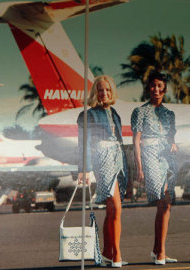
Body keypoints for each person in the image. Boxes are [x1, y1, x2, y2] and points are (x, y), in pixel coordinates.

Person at [77, 75, 128, 268]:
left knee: (111, 208)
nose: (104, 93)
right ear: (95, 92)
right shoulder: (88, 115)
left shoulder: (115, 113)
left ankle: (107, 252)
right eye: (100, 90)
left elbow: (120, 141)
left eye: (107, 90)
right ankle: (117, 255)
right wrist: (84, 168)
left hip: (118, 158)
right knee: (116, 207)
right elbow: (83, 143)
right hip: (102, 158)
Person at [131, 71, 178, 265]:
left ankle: (159, 250)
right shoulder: (140, 111)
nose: (156, 89)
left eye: (160, 86)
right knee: (162, 202)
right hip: (149, 155)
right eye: (153, 85)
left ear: (164, 89)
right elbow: (136, 140)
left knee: (166, 203)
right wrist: (139, 167)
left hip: (166, 157)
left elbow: (171, 137)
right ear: (148, 88)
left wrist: (174, 144)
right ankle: (159, 252)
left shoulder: (169, 114)